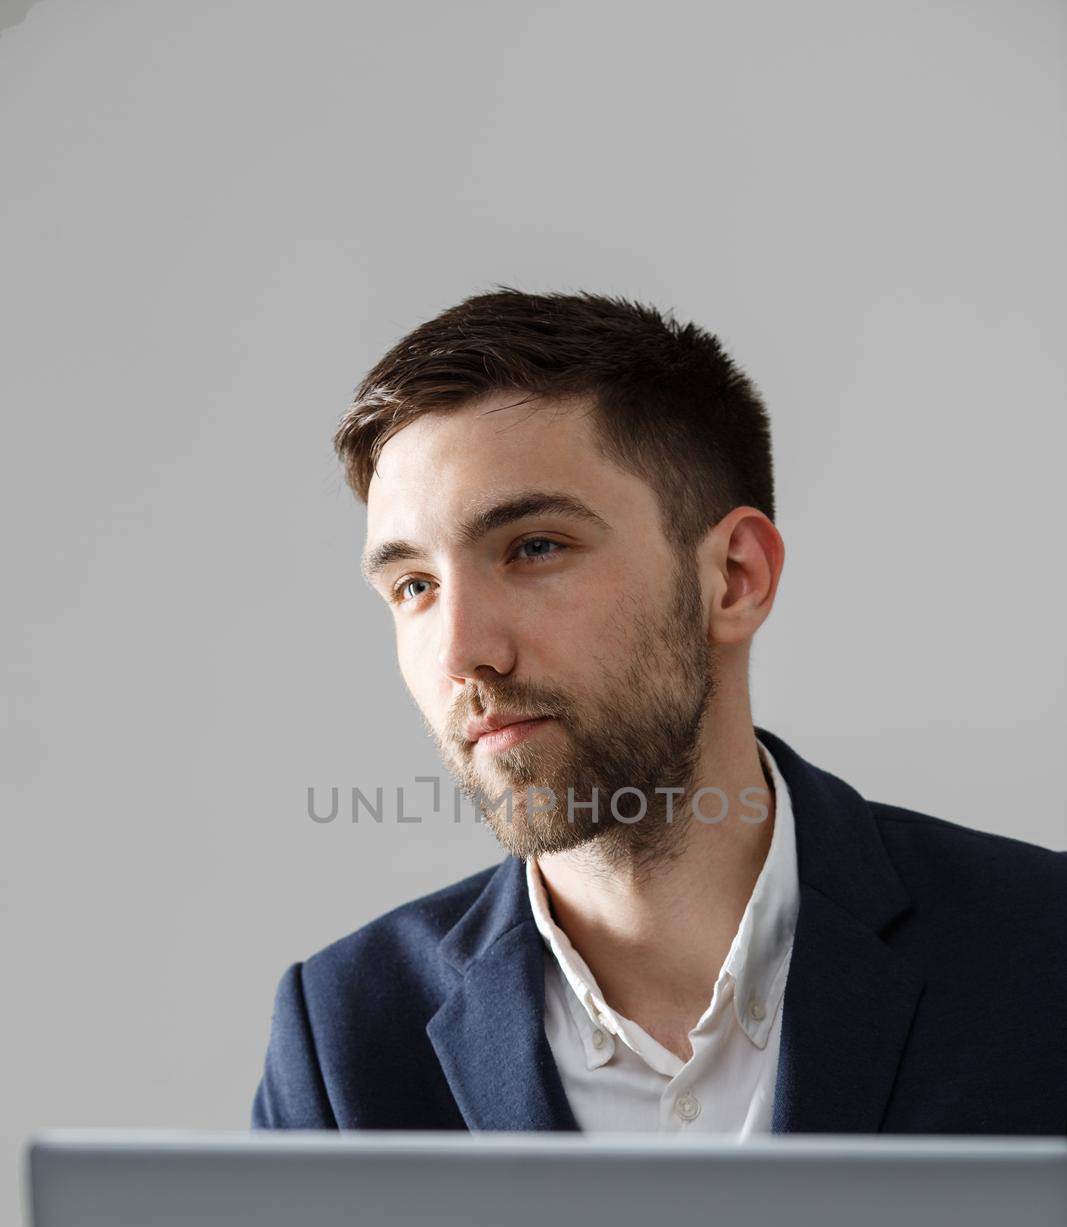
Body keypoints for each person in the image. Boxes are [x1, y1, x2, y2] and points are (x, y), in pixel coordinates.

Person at [251, 288, 1066, 1136]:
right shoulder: (343, 1039)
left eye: (533, 548)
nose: (462, 654)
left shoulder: (1044, 956)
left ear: (734, 578)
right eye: (413, 586)